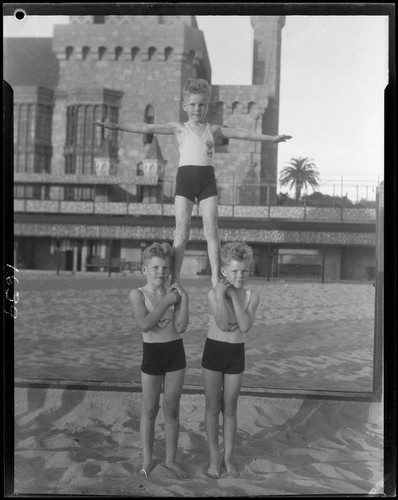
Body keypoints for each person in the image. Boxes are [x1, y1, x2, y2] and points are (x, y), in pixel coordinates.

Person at [95, 78, 291, 288]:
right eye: (194, 104)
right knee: (182, 231)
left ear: (207, 106)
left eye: (202, 105)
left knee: (212, 230)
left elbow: (243, 133)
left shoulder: (212, 130)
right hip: (185, 182)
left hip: (207, 182)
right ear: (185, 106)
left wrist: (270, 138)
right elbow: (145, 127)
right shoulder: (179, 128)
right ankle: (176, 279)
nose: (198, 109)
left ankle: (216, 277)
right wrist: (116, 126)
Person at [128, 242, 189, 479]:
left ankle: (171, 460)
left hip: (175, 354)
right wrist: (166, 303)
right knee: (150, 409)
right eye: (155, 268)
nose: (160, 273)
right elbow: (144, 324)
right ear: (144, 269)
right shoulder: (137, 294)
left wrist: (185, 300)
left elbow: (181, 327)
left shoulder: (175, 294)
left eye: (165, 268)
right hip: (152, 355)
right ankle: (147, 460)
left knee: (172, 409)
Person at [201, 241, 260, 478]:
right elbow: (224, 324)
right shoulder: (213, 294)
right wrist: (221, 294)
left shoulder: (251, 296)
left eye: (244, 271)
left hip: (236, 355)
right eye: (234, 271)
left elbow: (244, 326)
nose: (240, 275)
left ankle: (228, 459)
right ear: (224, 271)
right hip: (213, 351)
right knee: (213, 406)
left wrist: (235, 295)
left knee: (230, 407)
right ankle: (215, 459)